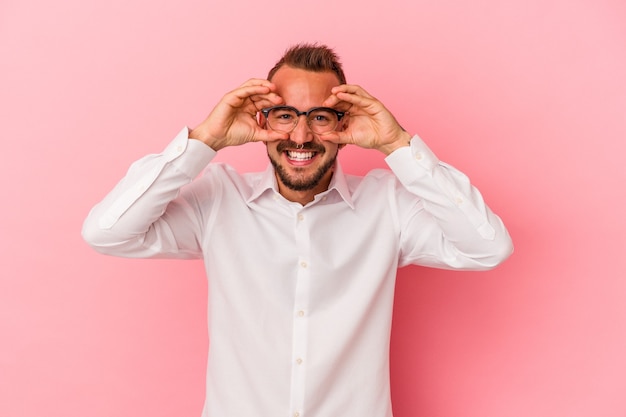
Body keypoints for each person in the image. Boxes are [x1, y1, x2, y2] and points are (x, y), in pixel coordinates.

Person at [82, 43, 513, 417]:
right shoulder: (217, 199)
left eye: (321, 117)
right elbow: (108, 231)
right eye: (286, 115)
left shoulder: (389, 206)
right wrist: (203, 140)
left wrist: (396, 143)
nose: (302, 137)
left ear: (345, 125)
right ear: (263, 119)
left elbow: (487, 247)